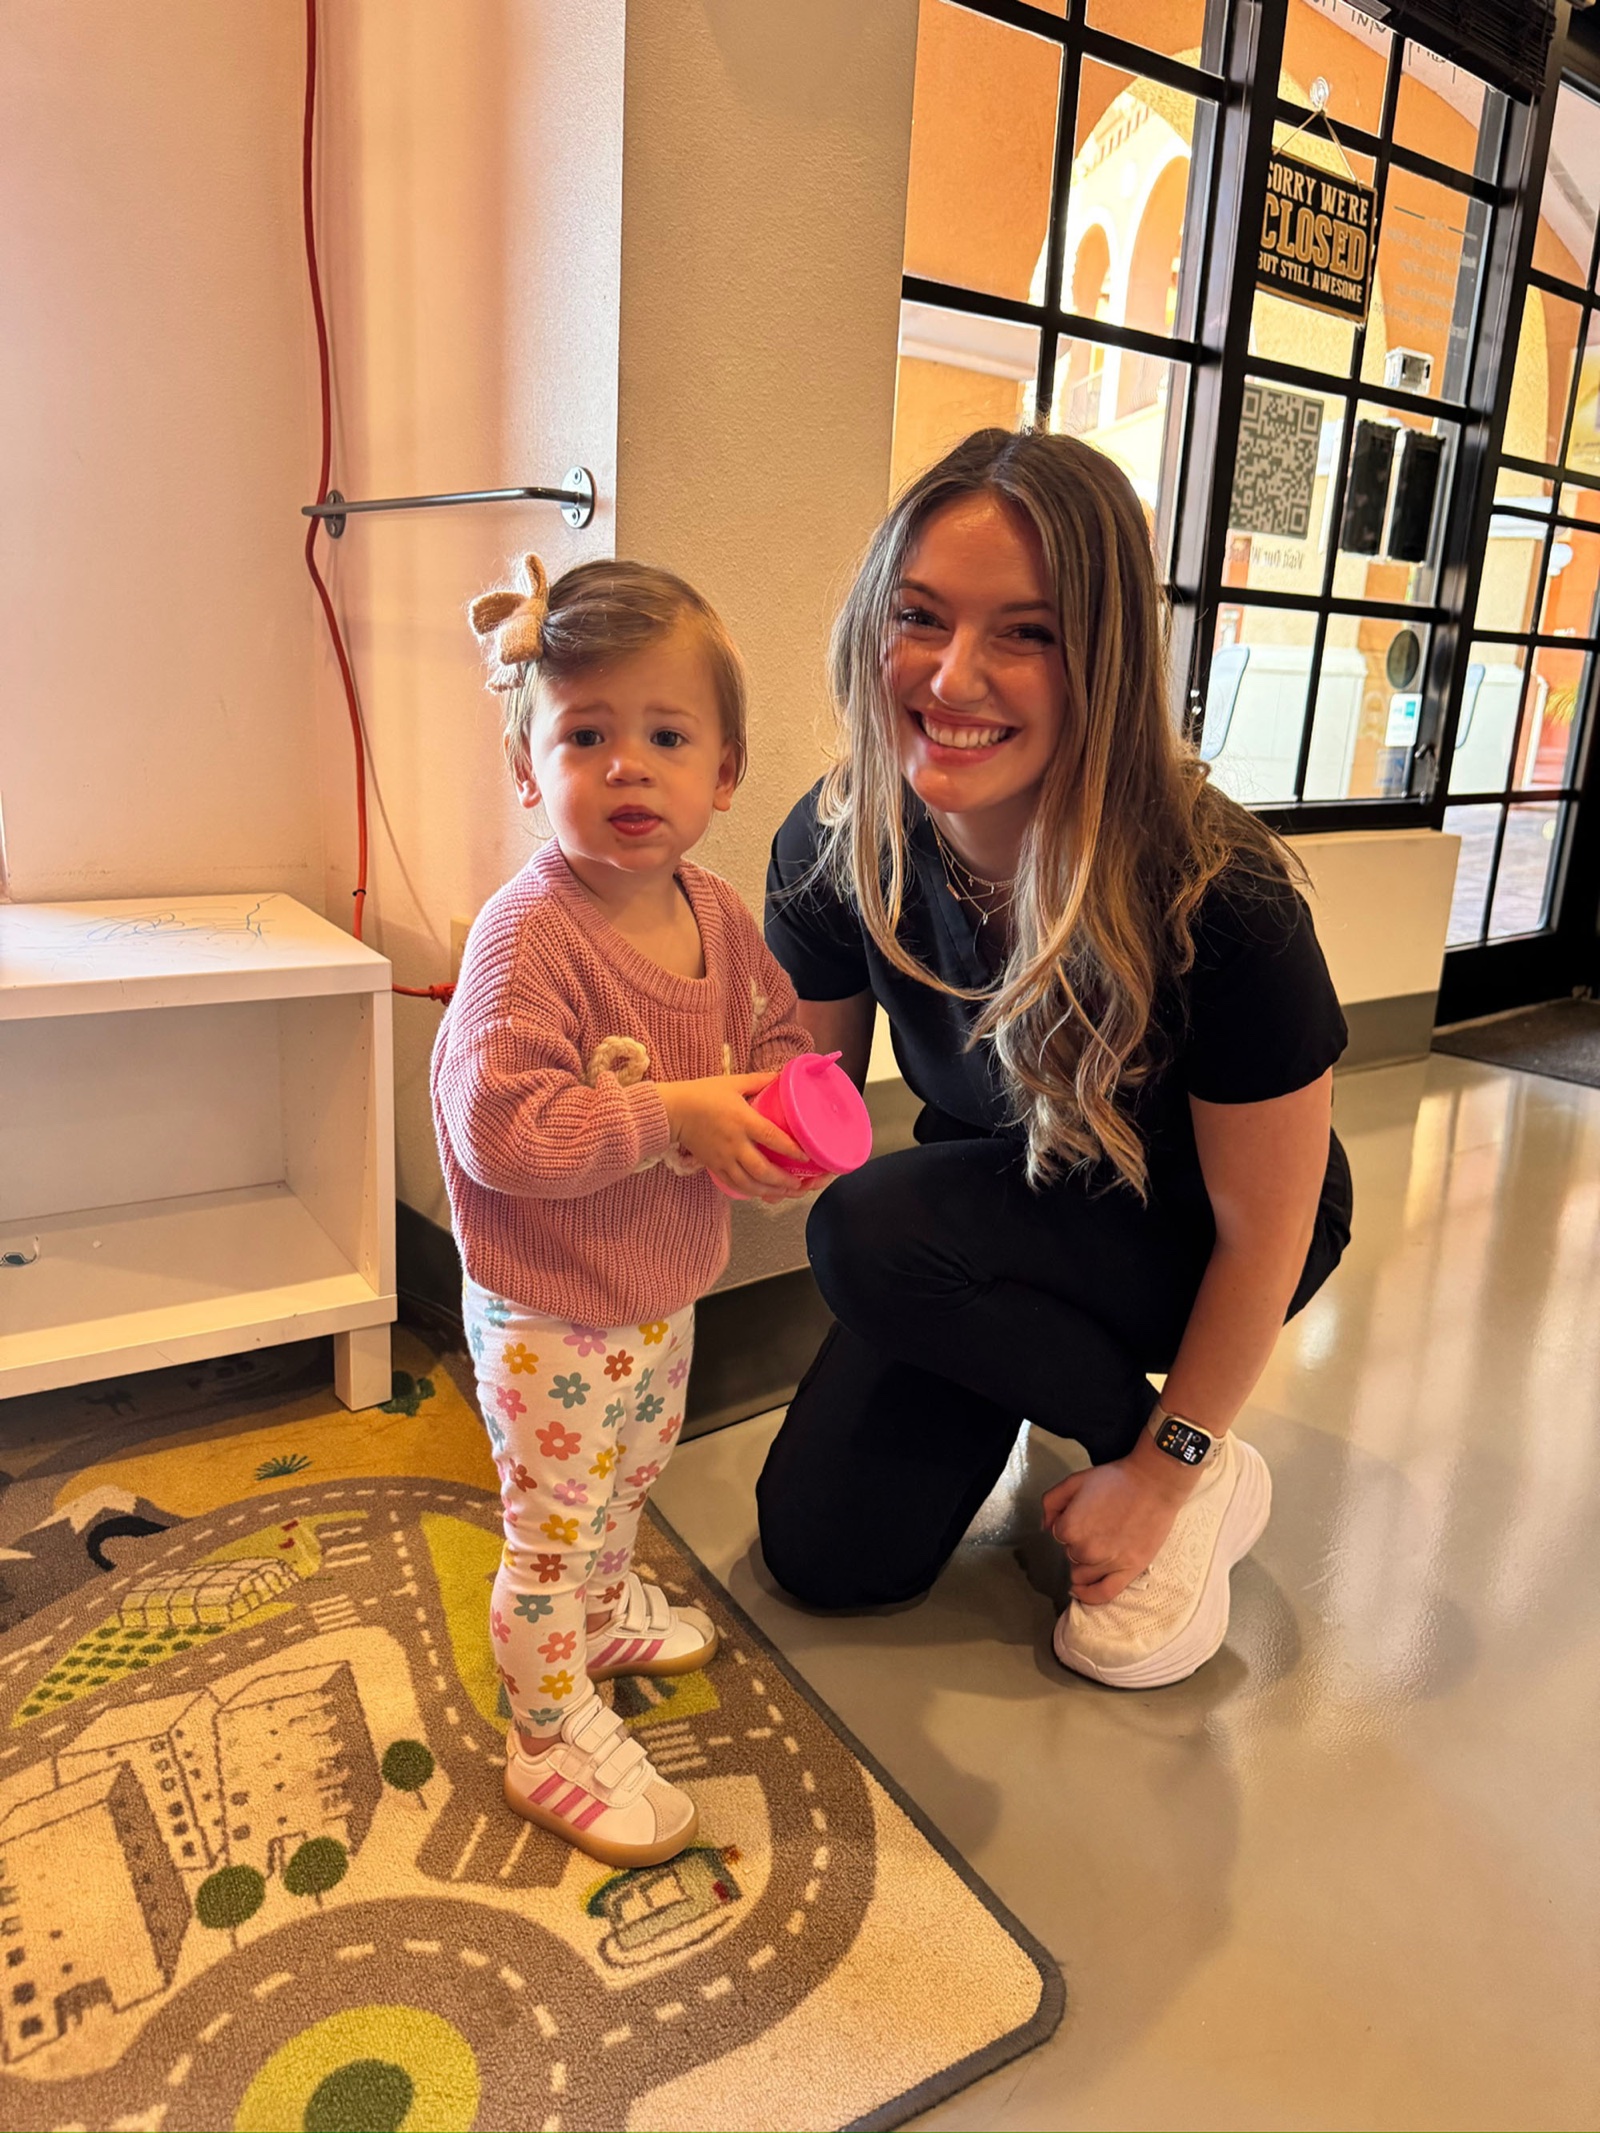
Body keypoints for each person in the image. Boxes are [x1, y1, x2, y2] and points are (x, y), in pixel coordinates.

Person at [760, 429, 1352, 1689]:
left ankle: (1182, 1459)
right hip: (987, 1202)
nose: (953, 676)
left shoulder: (1220, 892)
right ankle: (1124, 1420)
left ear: (1103, 661)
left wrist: (1150, 1470)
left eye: (1023, 633)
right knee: (826, 1556)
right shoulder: (832, 843)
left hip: (1198, 1228)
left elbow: (1269, 1232)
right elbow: (808, 1116)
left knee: (867, 1236)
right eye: (919, 616)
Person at [433, 555, 811, 1865]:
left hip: (659, 1286)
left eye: (664, 736)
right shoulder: (527, 935)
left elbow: (767, 1037)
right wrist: (674, 1114)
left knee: (631, 1476)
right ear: (532, 772)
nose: (630, 767)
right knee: (551, 1525)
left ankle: (600, 1608)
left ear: (725, 769)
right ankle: (545, 1730)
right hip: (546, 1306)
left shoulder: (715, 910)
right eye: (587, 736)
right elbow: (496, 1129)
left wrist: (778, 1117)